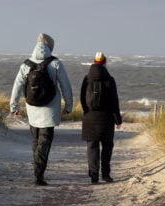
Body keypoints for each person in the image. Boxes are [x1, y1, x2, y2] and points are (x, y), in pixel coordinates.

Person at [10, 33, 73, 186]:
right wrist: (69, 105)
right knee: (45, 141)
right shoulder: (55, 63)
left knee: (36, 140)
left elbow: (17, 85)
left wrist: (14, 106)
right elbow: (65, 85)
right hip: (50, 109)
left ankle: (38, 169)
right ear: (50, 47)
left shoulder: (26, 64)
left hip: (32, 108)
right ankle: (39, 173)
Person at [80, 52, 122, 185]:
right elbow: (114, 102)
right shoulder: (110, 80)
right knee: (107, 146)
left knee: (92, 147)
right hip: (106, 118)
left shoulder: (87, 79)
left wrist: (86, 112)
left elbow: (82, 98)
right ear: (105, 62)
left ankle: (93, 176)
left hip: (89, 118)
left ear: (93, 62)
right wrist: (118, 120)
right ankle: (105, 175)